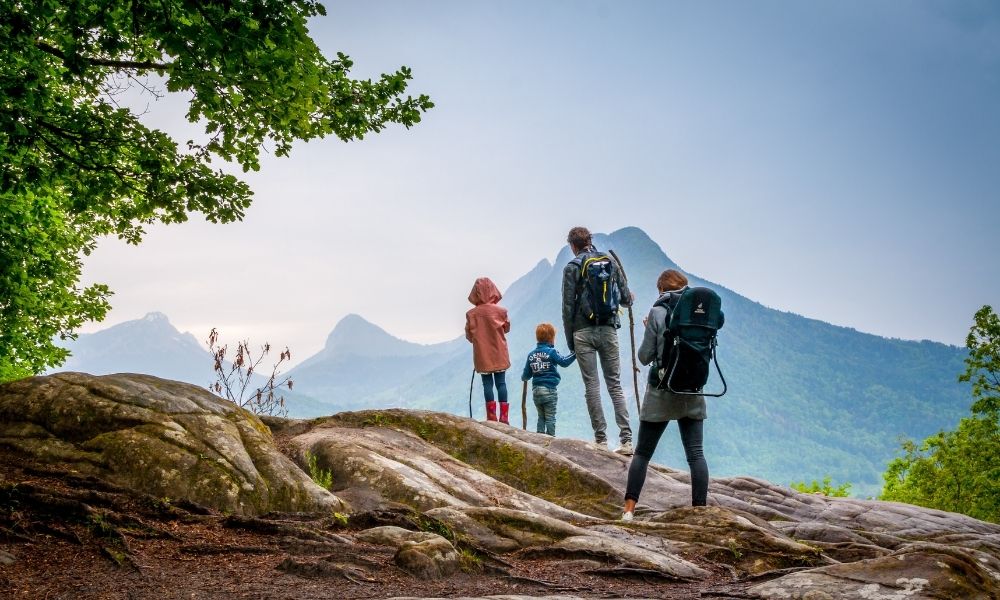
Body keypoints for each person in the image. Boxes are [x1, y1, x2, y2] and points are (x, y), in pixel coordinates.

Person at [621, 269, 709, 521]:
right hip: (692, 389)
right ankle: (700, 512)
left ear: (661, 289)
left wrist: (650, 329)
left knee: (642, 453)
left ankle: (628, 511)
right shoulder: (700, 312)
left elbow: (644, 356)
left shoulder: (658, 312)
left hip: (662, 390)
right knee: (696, 454)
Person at [561, 226, 635, 455]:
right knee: (614, 384)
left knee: (592, 386)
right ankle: (626, 441)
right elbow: (625, 299)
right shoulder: (609, 261)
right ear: (590, 240)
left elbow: (567, 306)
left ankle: (601, 441)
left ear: (572, 246)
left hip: (582, 331)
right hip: (608, 328)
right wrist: (629, 298)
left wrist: (571, 340)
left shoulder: (572, 267)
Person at [465, 277, 511, 424]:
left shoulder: (471, 314)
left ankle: (491, 417)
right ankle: (504, 418)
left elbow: (469, 336)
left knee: (487, 385)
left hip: (482, 355)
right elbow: (506, 329)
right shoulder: (501, 311)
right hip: (500, 353)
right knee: (501, 383)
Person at [520, 323, 576, 436]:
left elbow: (526, 376)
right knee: (550, 417)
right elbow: (564, 362)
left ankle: (539, 439)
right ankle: (550, 439)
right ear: (551, 338)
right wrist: (575, 354)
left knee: (541, 416)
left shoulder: (531, 355)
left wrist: (524, 377)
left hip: (536, 391)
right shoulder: (552, 352)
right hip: (549, 389)